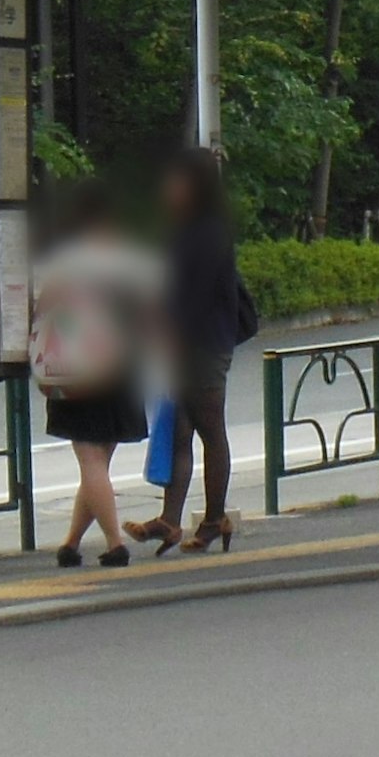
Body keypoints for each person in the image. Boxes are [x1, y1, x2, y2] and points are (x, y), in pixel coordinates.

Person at [25, 184, 161, 569]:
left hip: (77, 365)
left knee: (90, 459)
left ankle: (115, 543)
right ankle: (70, 544)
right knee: (98, 460)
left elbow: (46, 305)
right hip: (121, 366)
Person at [134, 146, 250, 555]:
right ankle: (170, 520)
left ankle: (215, 517)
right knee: (180, 428)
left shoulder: (208, 232)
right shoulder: (184, 228)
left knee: (207, 427)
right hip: (187, 343)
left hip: (202, 345)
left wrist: (170, 332)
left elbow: (194, 296)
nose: (168, 188)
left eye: (176, 181)